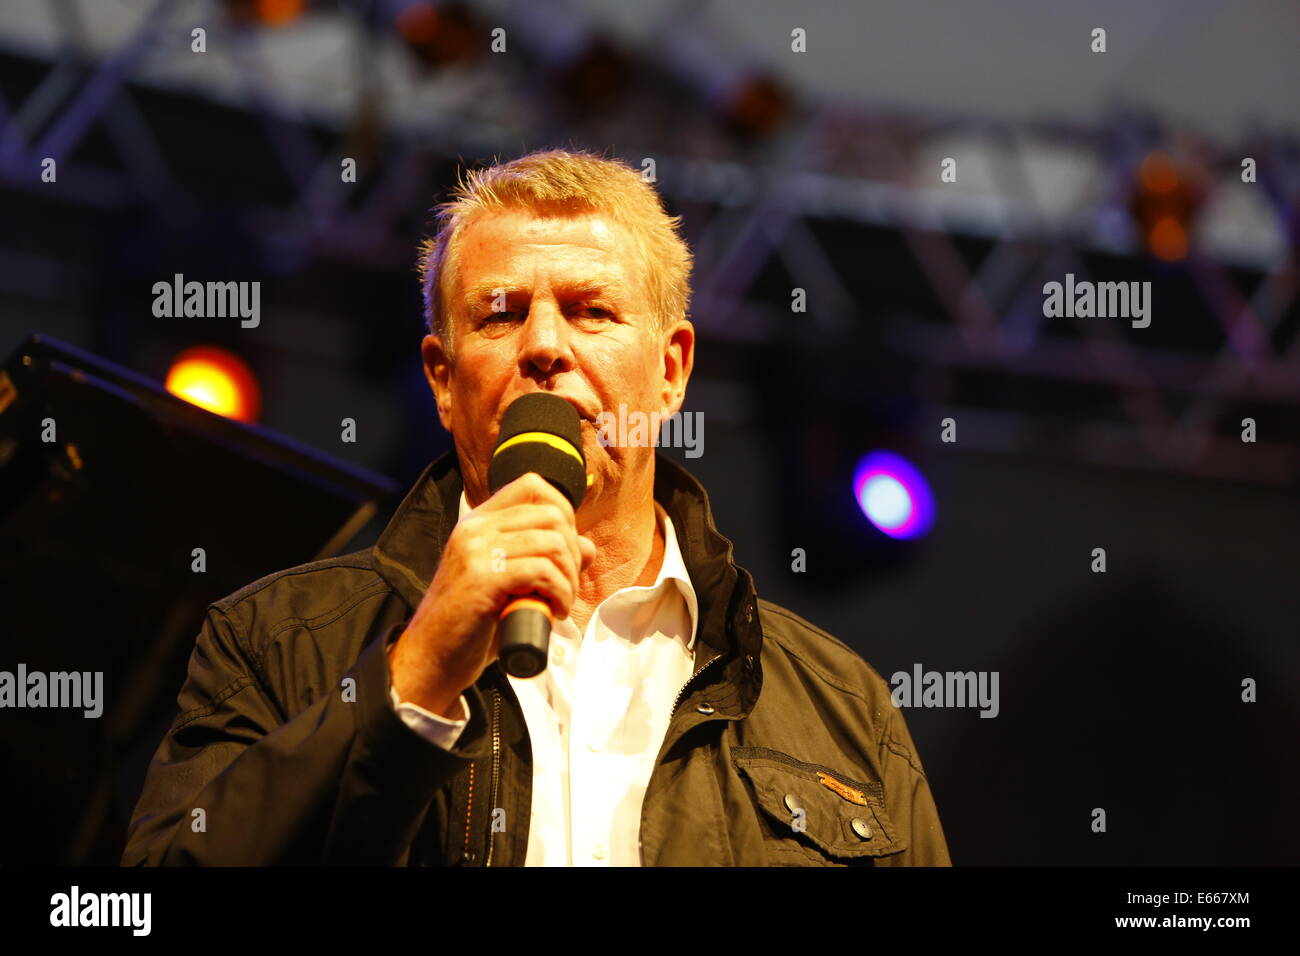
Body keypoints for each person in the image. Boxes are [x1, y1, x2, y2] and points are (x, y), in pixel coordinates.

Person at [122, 148, 951, 866]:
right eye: (501, 313)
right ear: (443, 381)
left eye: (592, 310)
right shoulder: (273, 643)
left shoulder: (841, 707)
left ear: (672, 373)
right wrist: (415, 673)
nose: (545, 346)